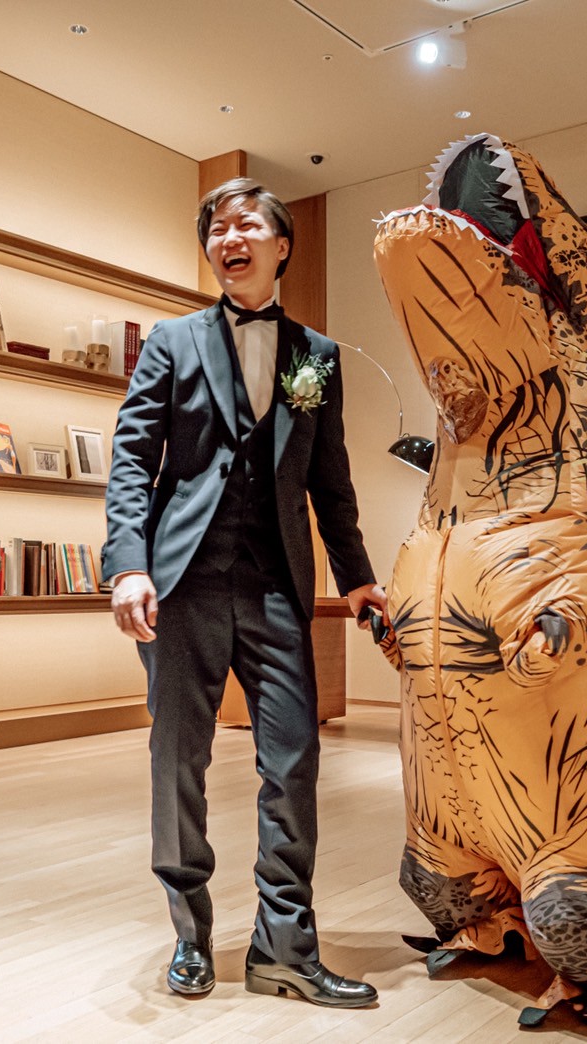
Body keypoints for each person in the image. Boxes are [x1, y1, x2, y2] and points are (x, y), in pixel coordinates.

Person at [102, 178, 386, 1008]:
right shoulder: (170, 341)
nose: (230, 237)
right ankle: (190, 936)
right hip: (182, 584)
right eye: (216, 228)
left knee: (294, 762)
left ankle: (284, 949)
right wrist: (128, 563)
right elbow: (132, 461)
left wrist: (357, 577)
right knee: (178, 761)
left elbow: (329, 479)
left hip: (276, 588)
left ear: (280, 245)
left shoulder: (314, 357)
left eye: (246, 224)